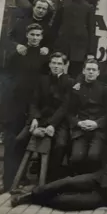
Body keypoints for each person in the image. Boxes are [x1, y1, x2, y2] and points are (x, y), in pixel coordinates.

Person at [10, 143, 107, 214]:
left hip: (105, 199)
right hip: (99, 180)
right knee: (68, 182)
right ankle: (29, 196)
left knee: (67, 203)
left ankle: (38, 199)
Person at [0, 23, 48, 194]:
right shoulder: (18, 54)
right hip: (16, 103)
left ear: (42, 37)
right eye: (32, 34)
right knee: (12, 141)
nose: (35, 38)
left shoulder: (44, 58)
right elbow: (7, 77)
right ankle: (7, 181)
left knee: (25, 141)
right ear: (27, 36)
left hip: (33, 105)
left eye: (38, 35)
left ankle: (21, 178)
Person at [28, 52, 75, 183]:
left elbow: (65, 107)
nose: (56, 66)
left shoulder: (70, 82)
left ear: (65, 66)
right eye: (53, 63)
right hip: (41, 118)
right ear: (49, 64)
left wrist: (52, 124)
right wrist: (35, 118)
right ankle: (28, 173)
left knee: (60, 144)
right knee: (20, 139)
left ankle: (50, 179)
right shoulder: (42, 79)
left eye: (59, 63)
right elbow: (34, 101)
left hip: (59, 121)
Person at [66, 59, 107, 173]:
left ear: (98, 73)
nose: (91, 72)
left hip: (98, 129)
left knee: (94, 156)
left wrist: (97, 123)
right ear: (83, 71)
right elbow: (69, 112)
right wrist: (78, 123)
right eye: (88, 69)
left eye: (93, 70)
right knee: (76, 157)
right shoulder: (76, 89)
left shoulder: (106, 89)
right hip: (81, 129)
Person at [48, 0, 97, 77]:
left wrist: (91, 52)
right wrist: (49, 46)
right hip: (62, 46)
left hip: (79, 48)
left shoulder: (89, 7)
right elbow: (55, 26)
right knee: (56, 74)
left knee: (75, 76)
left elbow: (92, 31)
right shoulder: (63, 4)